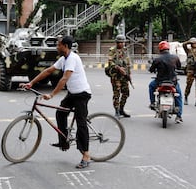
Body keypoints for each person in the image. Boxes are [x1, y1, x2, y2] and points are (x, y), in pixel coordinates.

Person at [20, 36, 92, 169]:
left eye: (58, 45)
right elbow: (48, 71)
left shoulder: (72, 58)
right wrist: (31, 83)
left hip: (82, 94)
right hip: (72, 93)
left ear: (65, 46)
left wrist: (52, 95)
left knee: (81, 124)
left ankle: (86, 155)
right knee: (60, 113)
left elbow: (64, 79)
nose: (56, 47)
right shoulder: (63, 59)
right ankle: (64, 142)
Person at [148, 41, 183, 123]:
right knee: (178, 95)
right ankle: (179, 116)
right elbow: (179, 67)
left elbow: (151, 70)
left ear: (160, 49)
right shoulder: (175, 57)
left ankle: (152, 103)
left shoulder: (157, 59)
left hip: (160, 82)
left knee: (151, 86)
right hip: (172, 82)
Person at [106, 34, 132, 118]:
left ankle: (121, 109)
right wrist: (118, 68)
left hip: (124, 76)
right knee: (116, 94)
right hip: (116, 75)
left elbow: (127, 63)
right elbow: (110, 62)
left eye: (123, 42)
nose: (122, 44)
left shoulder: (125, 50)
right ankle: (116, 111)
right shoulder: (112, 50)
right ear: (117, 42)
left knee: (126, 93)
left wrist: (129, 74)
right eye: (121, 42)